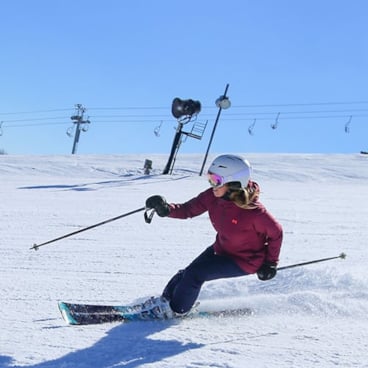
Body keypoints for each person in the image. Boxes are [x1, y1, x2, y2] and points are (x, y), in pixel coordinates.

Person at [141, 154, 283, 319]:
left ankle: (176, 310)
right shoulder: (212, 197)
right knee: (186, 273)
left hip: (245, 261)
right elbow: (188, 209)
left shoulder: (255, 213)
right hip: (222, 248)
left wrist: (271, 263)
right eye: (210, 178)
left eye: (216, 180)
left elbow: (277, 233)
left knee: (196, 274)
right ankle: (165, 302)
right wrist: (166, 209)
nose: (212, 184)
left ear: (234, 183)